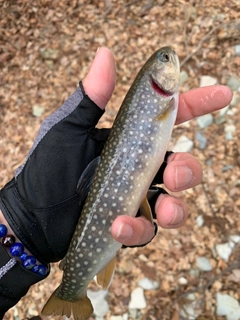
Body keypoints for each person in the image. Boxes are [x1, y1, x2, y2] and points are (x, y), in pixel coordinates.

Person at [0, 47, 232, 316]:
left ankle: (73, 287)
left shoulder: (166, 99)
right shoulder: (164, 98)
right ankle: (72, 291)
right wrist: (25, 222)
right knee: (135, 221)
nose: (170, 59)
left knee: (140, 219)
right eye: (165, 59)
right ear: (156, 79)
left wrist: (23, 225)